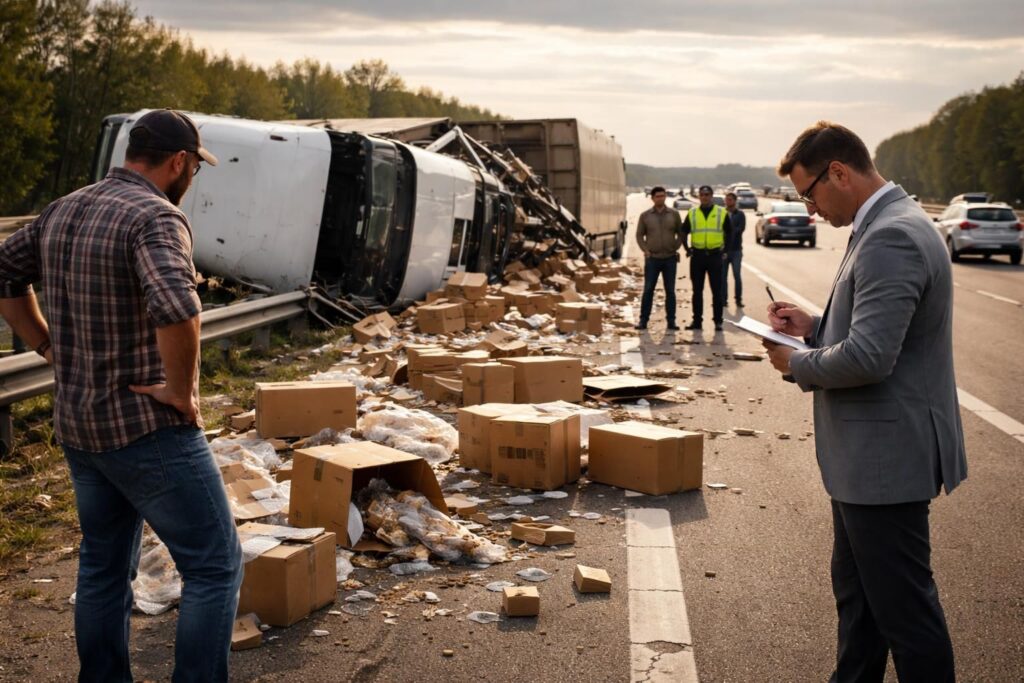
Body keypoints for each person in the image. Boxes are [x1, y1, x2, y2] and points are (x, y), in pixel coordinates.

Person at [0, 109, 243, 683]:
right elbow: (179, 307)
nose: (192, 180)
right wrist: (181, 392)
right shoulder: (156, 217)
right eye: (194, 169)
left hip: (81, 429)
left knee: (104, 567)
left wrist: (43, 344)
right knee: (214, 566)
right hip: (145, 428)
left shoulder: (65, 207)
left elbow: (3, 271)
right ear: (180, 162)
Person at [763, 121, 966, 683]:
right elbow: (871, 329)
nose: (809, 208)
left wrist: (797, 363)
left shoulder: (891, 235)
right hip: (869, 465)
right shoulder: (882, 223)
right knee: (862, 612)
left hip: (885, 463)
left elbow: (872, 357)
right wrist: (815, 327)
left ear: (839, 173)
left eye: (809, 194)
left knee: (906, 617)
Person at [681, 185, 732, 331]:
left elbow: (729, 233)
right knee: (697, 290)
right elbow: (684, 231)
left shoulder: (721, 212)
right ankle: (697, 321)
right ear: (699, 196)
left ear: (711, 196)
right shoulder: (692, 213)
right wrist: (687, 248)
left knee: (717, 291)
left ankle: (718, 321)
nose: (704, 197)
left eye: (707, 194)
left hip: (715, 256)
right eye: (702, 194)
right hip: (697, 256)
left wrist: (726, 251)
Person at [635, 185, 683, 330]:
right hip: (652, 259)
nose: (660, 198)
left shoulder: (673, 214)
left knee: (670, 291)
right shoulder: (645, 215)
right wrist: (645, 250)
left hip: (669, 258)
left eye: (663, 196)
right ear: (652, 198)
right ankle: (643, 320)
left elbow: (680, 233)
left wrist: (675, 247)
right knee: (648, 289)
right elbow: (639, 235)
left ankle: (671, 321)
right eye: (658, 196)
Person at [721, 191, 745, 307]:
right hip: (723, 250)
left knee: (737, 275)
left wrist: (728, 232)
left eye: (730, 199)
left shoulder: (740, 214)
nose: (728, 201)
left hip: (736, 250)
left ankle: (738, 300)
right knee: (723, 277)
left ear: (735, 201)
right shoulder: (721, 213)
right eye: (726, 199)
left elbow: (740, 229)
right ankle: (723, 300)